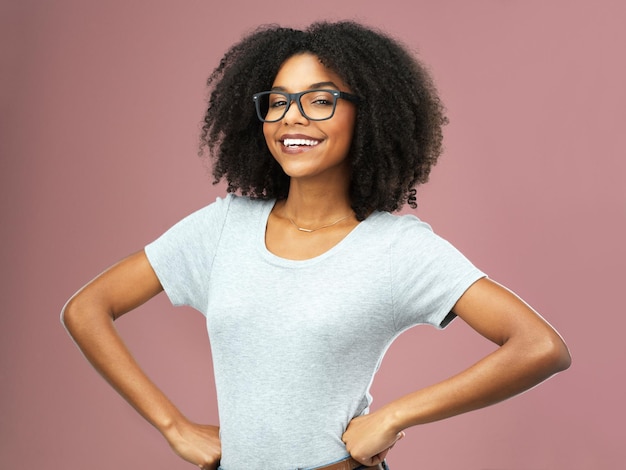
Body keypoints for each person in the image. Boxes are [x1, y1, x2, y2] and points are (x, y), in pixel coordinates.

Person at [61, 21, 571, 470]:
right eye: (278, 101)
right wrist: (172, 426)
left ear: (368, 116)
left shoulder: (397, 249)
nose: (291, 117)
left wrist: (396, 416)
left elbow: (539, 347)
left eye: (320, 100)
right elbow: (87, 309)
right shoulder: (221, 230)